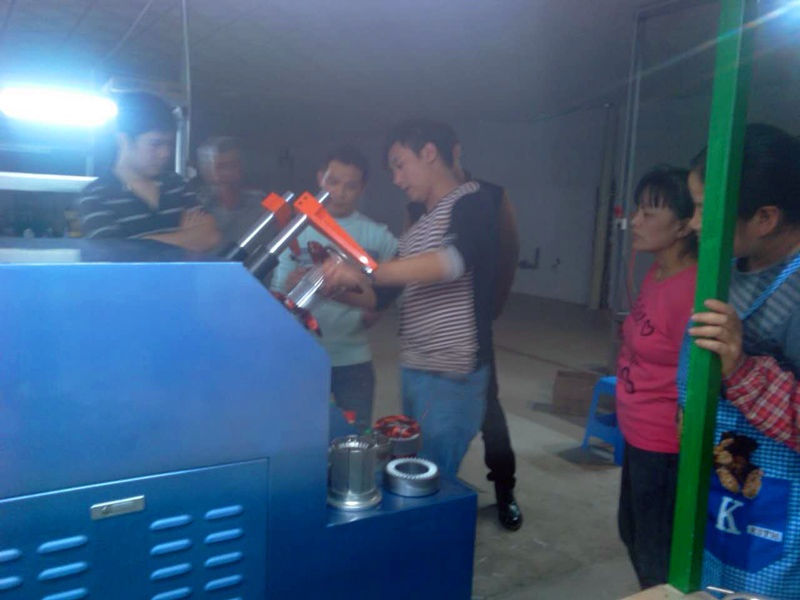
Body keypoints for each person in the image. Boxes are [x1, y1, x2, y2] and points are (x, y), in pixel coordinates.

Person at [322, 119, 499, 478]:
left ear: (429, 153)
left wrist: (364, 271)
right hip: (416, 365)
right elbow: (380, 296)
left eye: (400, 165)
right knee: (412, 467)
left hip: (452, 370)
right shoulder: (419, 225)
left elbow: (452, 262)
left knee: (433, 476)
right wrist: (335, 286)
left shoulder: (474, 201)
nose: (397, 179)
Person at [682, 123, 800, 597]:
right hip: (723, 494)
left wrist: (742, 369)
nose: (693, 223)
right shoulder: (725, 269)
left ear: (765, 217)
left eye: (704, 209)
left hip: (781, 516)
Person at [405, 143, 523, 530]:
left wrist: (490, 308)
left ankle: (504, 490)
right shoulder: (418, 204)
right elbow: (412, 262)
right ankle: (426, 491)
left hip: (471, 328)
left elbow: (507, 254)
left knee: (490, 414)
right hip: (429, 331)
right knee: (428, 418)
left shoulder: (491, 197)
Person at [272, 146, 397, 433]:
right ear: (320, 178)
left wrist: (379, 307)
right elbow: (277, 290)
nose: (340, 192)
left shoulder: (377, 235)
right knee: (297, 434)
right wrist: (289, 286)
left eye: (350, 186)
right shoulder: (296, 229)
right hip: (300, 354)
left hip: (353, 357)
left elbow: (399, 279)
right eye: (333, 182)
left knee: (356, 438)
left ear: (363, 188)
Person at [615, 167, 698, 588]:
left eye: (649, 213)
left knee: (656, 553)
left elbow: (696, 377)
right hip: (636, 432)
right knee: (631, 530)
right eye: (637, 210)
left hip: (663, 444)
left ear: (684, 226)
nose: (635, 221)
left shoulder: (692, 290)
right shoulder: (656, 272)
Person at [76, 92, 219, 251]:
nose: (165, 153)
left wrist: (141, 242)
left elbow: (210, 238)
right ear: (124, 140)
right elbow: (114, 255)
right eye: (155, 144)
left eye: (169, 144)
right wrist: (187, 237)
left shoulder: (177, 184)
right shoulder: (95, 196)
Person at [194, 136, 267, 253]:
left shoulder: (261, 203)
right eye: (220, 167)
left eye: (233, 165)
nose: (227, 173)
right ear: (205, 170)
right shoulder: (195, 207)